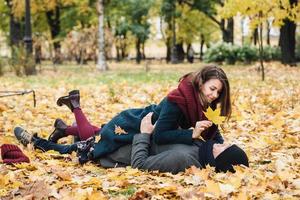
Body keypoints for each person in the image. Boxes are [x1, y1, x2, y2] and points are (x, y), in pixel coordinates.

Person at [22, 65, 232, 164]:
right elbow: (159, 135)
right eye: (212, 88)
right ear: (200, 82)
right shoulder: (177, 100)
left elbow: (213, 132)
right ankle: (44, 142)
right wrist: (191, 135)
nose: (214, 95)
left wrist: (225, 147)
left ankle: (64, 128)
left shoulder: (202, 105)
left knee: (96, 134)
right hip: (132, 126)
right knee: (91, 146)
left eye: (218, 92)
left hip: (141, 130)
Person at [13, 113, 248, 174]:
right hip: (124, 138)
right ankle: (65, 130)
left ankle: (36, 142)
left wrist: (145, 133)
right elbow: (217, 135)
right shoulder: (203, 148)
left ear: (219, 159)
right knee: (94, 132)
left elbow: (140, 164)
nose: (221, 144)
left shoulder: (185, 159)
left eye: (224, 149)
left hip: (116, 153)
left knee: (69, 149)